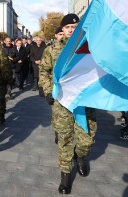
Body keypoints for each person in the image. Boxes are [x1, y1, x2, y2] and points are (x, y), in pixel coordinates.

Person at [39, 14, 97, 194]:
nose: (71, 30)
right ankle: (65, 174)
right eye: (68, 27)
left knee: (87, 139)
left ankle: (80, 156)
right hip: (62, 102)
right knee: (64, 138)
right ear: (62, 30)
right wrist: (48, 90)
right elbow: (44, 71)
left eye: (74, 27)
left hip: (84, 102)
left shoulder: (89, 48)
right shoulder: (52, 50)